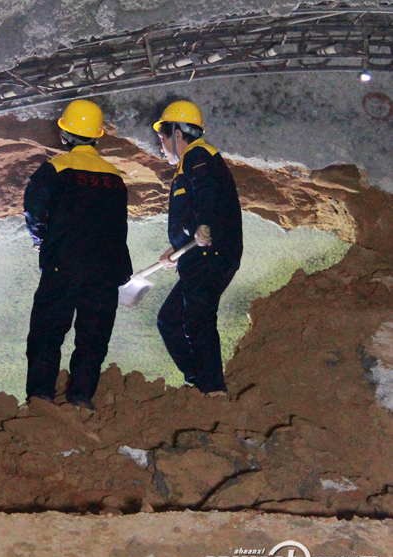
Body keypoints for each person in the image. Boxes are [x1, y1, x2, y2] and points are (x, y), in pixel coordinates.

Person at [24, 99, 133, 410]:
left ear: (64, 135)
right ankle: (81, 399)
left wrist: (40, 240)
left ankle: (41, 397)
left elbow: (34, 211)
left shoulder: (55, 168)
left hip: (63, 265)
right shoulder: (114, 175)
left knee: (47, 332)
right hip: (104, 271)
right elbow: (118, 227)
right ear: (97, 136)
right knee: (93, 337)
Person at [152, 100, 243, 397]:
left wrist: (204, 224)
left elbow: (205, 191)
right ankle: (198, 381)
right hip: (197, 253)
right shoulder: (188, 163)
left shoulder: (197, 155)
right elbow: (192, 212)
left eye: (162, 138)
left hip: (210, 252)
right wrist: (176, 247)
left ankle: (213, 390)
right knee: (169, 319)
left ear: (177, 133)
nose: (161, 145)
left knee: (198, 318)